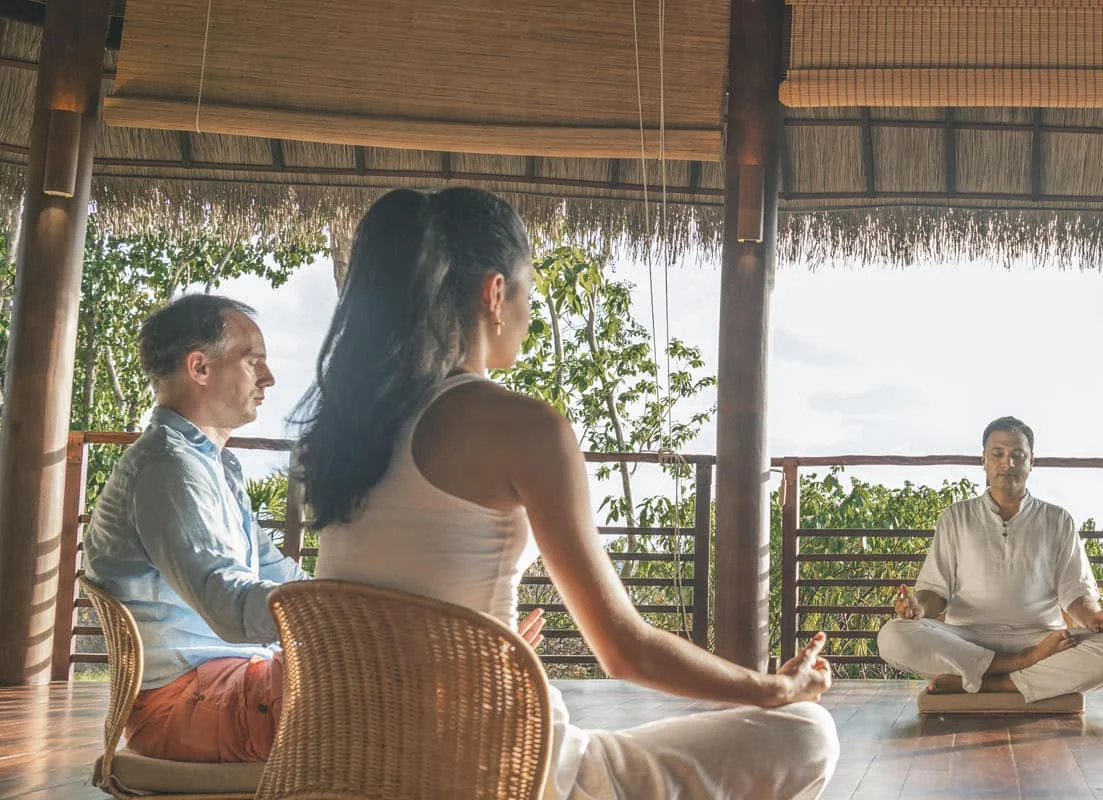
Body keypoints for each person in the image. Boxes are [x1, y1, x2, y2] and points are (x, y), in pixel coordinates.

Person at [301, 187, 838, 799]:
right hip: (507, 774)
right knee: (806, 732)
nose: (529, 311)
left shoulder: (342, 434)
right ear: (495, 294)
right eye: (530, 289)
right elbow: (624, 650)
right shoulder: (523, 428)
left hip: (352, 768)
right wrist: (774, 687)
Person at [80, 295, 307, 762]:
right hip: (184, 704)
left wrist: (356, 604)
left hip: (226, 685)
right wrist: (336, 616)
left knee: (387, 676)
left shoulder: (215, 466)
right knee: (376, 692)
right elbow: (228, 604)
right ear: (200, 368)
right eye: (254, 363)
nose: (268, 378)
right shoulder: (169, 468)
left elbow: (277, 572)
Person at [875, 416, 1103, 703]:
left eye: (1017, 456)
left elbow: (1077, 594)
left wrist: (1093, 617)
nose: (1007, 463)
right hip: (966, 639)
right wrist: (917, 609)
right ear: (983, 460)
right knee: (893, 635)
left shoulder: (1057, 520)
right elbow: (934, 592)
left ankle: (983, 682)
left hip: (1042, 640)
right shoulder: (956, 517)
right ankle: (1017, 667)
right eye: (998, 454)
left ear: (1031, 461)